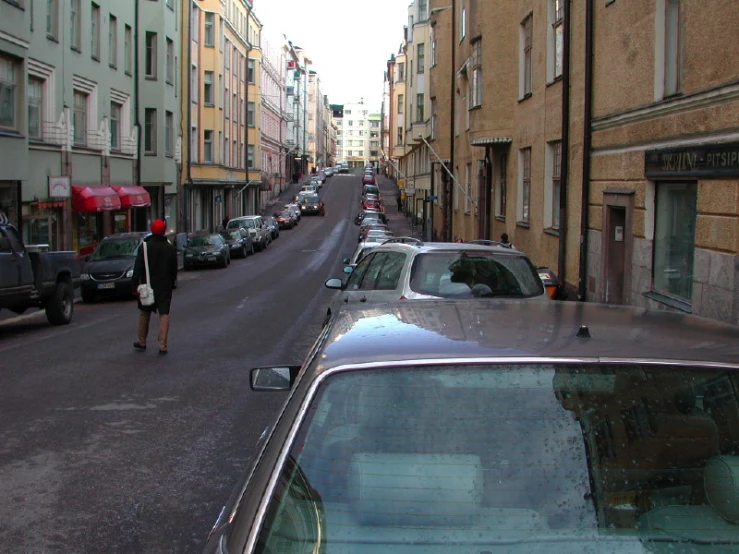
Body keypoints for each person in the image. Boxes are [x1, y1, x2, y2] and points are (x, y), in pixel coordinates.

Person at [132, 219, 178, 355]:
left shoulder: (145, 247)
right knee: (164, 314)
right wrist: (172, 281)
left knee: (144, 313)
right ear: (164, 231)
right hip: (164, 287)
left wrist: (135, 286)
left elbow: (138, 267)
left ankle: (142, 341)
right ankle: (162, 345)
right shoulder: (170, 248)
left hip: (148, 285)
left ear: (152, 230)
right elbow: (173, 268)